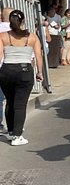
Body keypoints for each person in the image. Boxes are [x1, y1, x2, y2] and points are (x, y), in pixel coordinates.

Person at [0, 10, 43, 146]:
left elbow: (0, 55)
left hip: (6, 71)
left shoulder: (2, 36)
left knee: (10, 102)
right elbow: (38, 56)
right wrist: (39, 73)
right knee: (20, 104)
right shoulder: (32, 37)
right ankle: (17, 136)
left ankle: (12, 131)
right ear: (23, 21)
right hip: (24, 71)